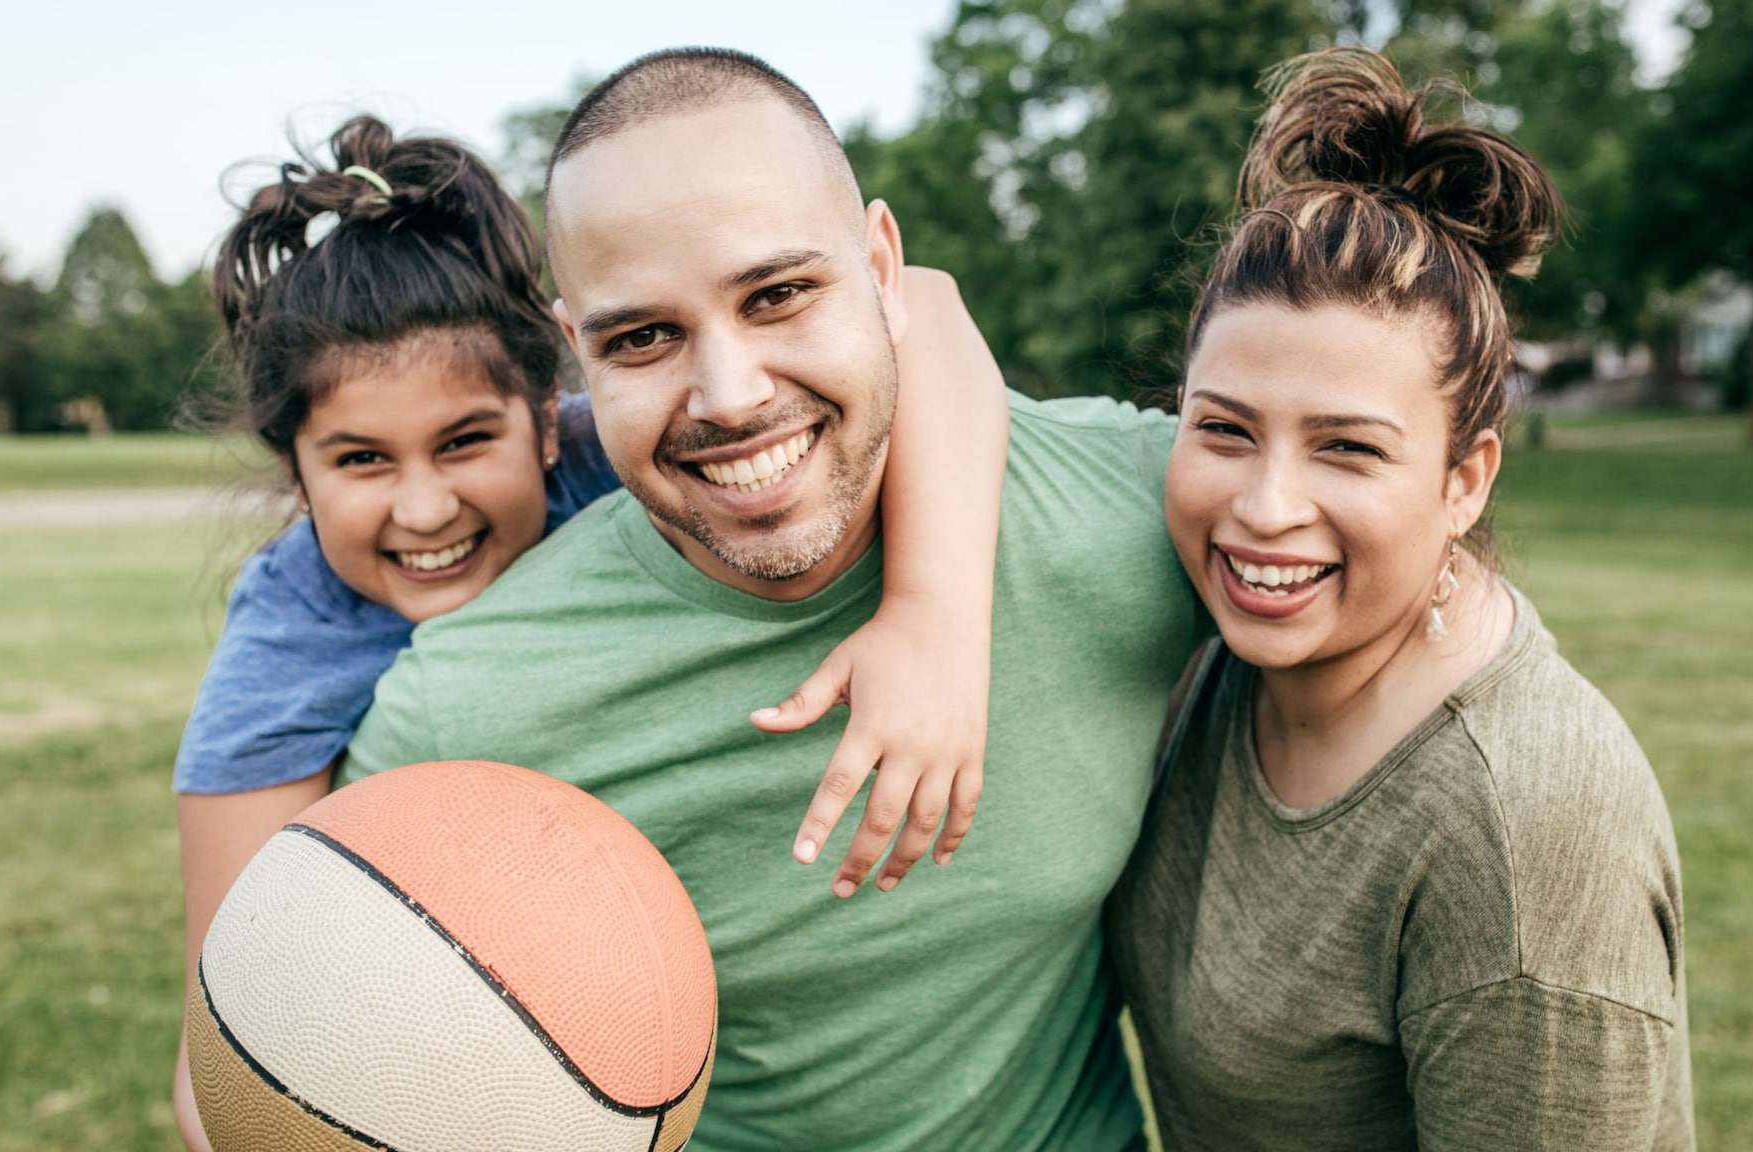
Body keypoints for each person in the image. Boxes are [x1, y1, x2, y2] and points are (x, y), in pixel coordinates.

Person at [341, 47, 1204, 1152]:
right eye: (641, 337)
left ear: (884, 269)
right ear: (576, 353)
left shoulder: (1139, 509)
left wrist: (941, 612)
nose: (729, 394)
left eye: (780, 294)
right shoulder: (469, 707)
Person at [170, 114, 1014, 1150]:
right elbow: (225, 1031)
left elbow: (919, 301)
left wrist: (934, 615)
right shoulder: (286, 640)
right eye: (360, 461)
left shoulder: (622, 449)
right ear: (292, 468)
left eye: (466, 441)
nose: (425, 507)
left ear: (544, 411)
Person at [1107, 47, 1693, 1150]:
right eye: (1223, 428)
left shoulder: (1523, 840)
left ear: (1462, 479)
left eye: (1346, 449)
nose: (1263, 509)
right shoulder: (1219, 641)